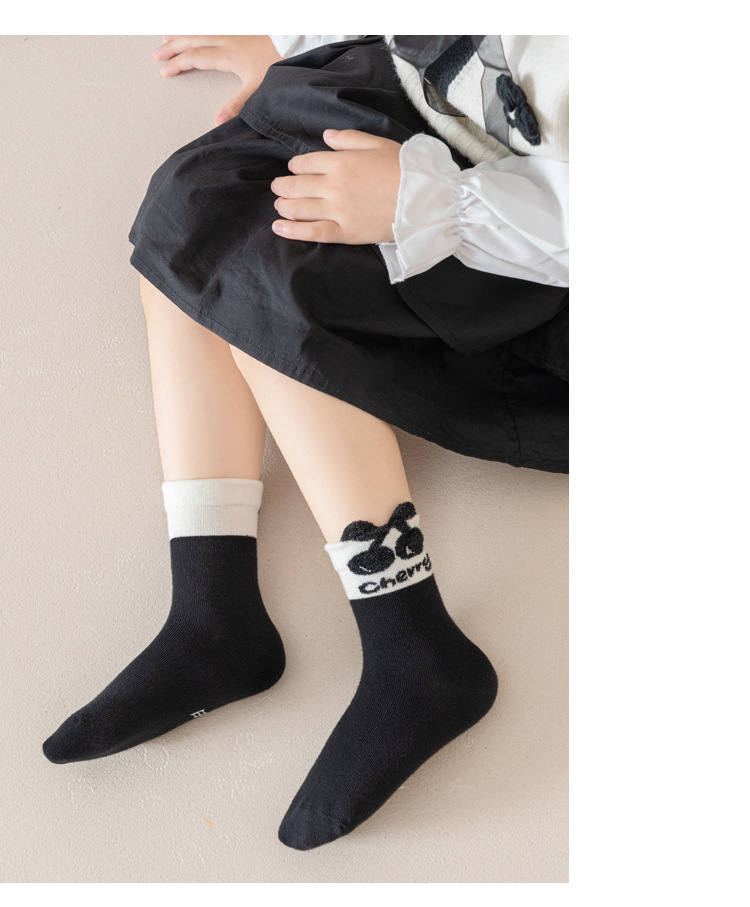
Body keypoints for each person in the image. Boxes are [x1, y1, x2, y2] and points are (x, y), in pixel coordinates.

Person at [42, 35, 569, 851]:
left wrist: (428, 203)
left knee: (280, 268)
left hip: (534, 256)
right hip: (423, 121)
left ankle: (410, 636)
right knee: (190, 206)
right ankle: (211, 605)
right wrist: (298, 40)